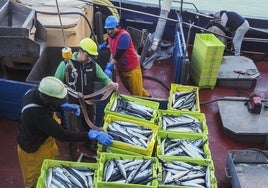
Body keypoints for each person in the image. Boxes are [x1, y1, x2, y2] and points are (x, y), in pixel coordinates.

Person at [17, 76, 113, 188]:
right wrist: (90, 134)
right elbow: (63, 135)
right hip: (33, 150)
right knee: (36, 181)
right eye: (57, 101)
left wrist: (61, 106)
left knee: (52, 170)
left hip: (45, 141)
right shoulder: (36, 114)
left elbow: (48, 105)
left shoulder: (35, 92)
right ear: (47, 99)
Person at [54, 38, 118, 135]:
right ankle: (73, 148)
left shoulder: (93, 65)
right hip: (72, 105)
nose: (89, 58)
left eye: (91, 56)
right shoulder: (65, 65)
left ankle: (89, 144)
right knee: (72, 130)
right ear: (80, 51)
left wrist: (112, 84)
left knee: (90, 126)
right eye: (88, 55)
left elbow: (104, 79)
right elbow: (55, 83)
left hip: (88, 103)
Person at [99, 15, 151, 97]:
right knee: (130, 88)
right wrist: (101, 46)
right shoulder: (111, 35)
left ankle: (148, 100)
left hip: (131, 69)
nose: (109, 31)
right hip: (121, 68)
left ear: (118, 27)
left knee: (136, 93)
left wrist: (109, 66)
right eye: (108, 29)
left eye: (112, 29)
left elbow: (118, 55)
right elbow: (107, 41)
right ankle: (148, 97)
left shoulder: (124, 37)